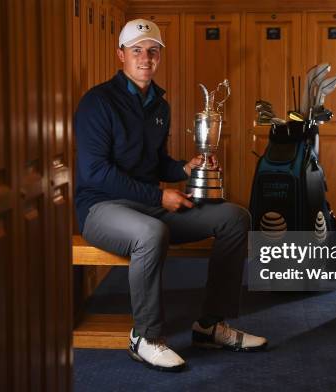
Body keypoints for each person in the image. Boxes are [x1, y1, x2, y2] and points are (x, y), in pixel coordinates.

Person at [74, 18, 267, 372]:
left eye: (153, 52)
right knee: (151, 233)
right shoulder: (97, 102)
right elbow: (96, 173)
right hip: (101, 208)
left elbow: (157, 163)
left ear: (160, 56)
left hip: (148, 204)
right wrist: (160, 197)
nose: (145, 58)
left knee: (234, 218)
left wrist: (184, 169)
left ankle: (210, 325)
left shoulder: (159, 105)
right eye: (137, 51)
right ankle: (145, 338)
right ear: (121, 55)